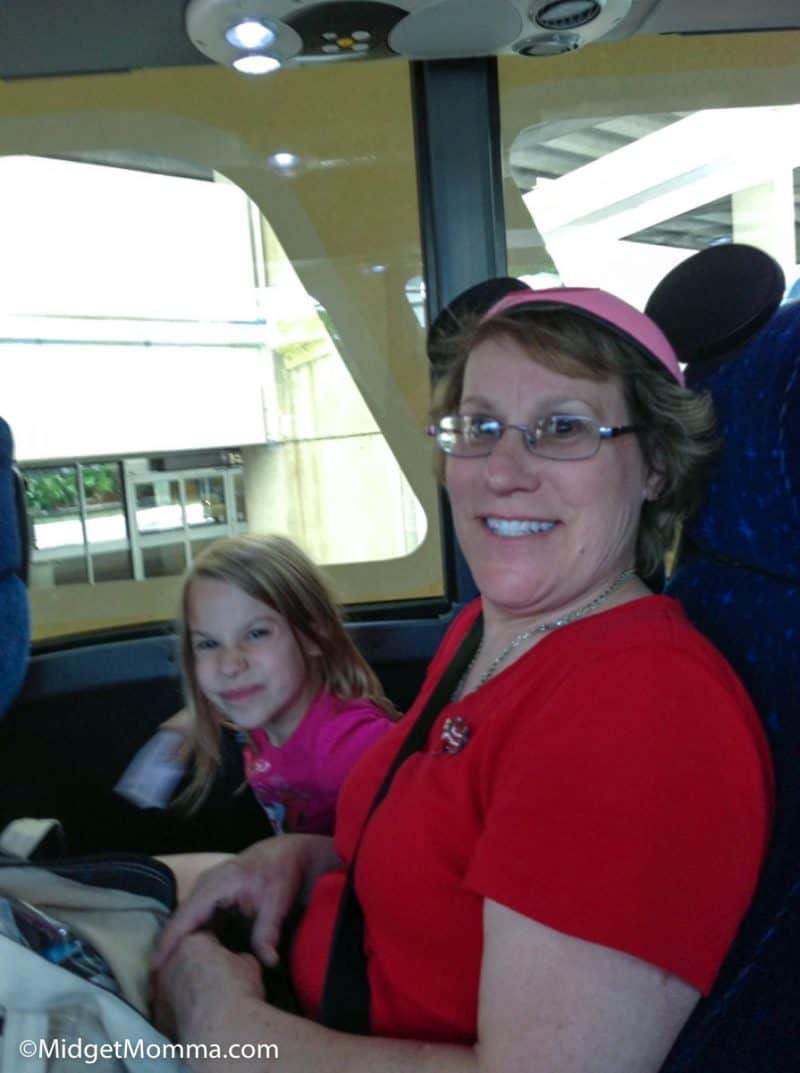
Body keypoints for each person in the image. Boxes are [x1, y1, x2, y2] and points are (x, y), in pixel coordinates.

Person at [150, 287, 774, 1073]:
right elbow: (438, 854)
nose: (501, 471)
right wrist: (306, 857)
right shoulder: (484, 630)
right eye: (478, 427)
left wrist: (220, 1023)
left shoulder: (643, 708)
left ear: (653, 463)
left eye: (564, 427)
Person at [119, 534, 395, 842]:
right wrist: (192, 719)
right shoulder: (266, 714)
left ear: (314, 636)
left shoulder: (350, 747)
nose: (229, 665)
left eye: (256, 634)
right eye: (209, 643)